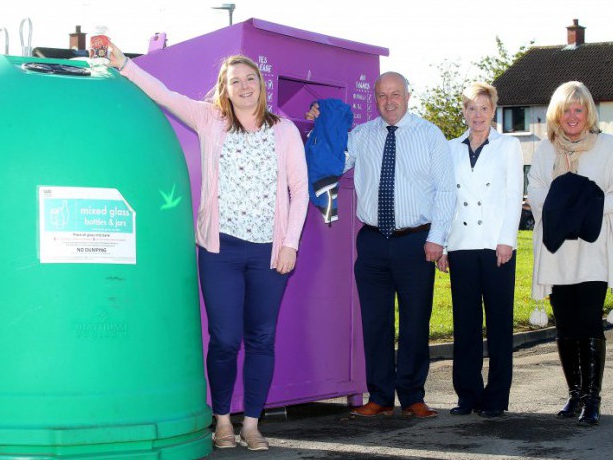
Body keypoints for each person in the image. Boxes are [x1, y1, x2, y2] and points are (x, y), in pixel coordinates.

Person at [108, 46, 309, 449]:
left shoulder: (283, 130)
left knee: (261, 338)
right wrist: (124, 65)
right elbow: (163, 94)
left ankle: (251, 423)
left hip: (270, 252)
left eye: (250, 78)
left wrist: (290, 244)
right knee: (224, 339)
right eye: (235, 81)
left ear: (261, 84)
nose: (244, 86)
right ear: (225, 88)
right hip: (221, 250)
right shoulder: (210, 120)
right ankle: (222, 421)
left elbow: (300, 190)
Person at [307, 72, 456, 418]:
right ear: (375, 99)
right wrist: (322, 123)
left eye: (396, 94)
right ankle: (380, 397)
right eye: (382, 95)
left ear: (408, 95)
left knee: (415, 321)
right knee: (375, 322)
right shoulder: (361, 136)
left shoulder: (430, 135)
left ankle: (413, 396)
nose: (389, 101)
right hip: (372, 241)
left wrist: (437, 239)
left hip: (416, 241)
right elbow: (331, 164)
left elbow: (447, 190)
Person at [527, 81, 613, 426]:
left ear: (588, 113)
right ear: (556, 115)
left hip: (593, 250)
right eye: (566, 110)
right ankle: (574, 394)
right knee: (566, 325)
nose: (572, 117)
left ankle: (593, 399)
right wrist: (573, 205)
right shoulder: (545, 151)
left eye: (579, 109)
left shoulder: (607, 148)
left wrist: (585, 206)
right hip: (557, 250)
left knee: (588, 323)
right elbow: (538, 195)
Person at [436, 82, 523, 418]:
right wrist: (442, 243)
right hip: (460, 245)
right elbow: (444, 198)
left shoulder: (508, 146)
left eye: (484, 108)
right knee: (466, 324)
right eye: (471, 108)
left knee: (499, 324)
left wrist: (507, 240)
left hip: (495, 244)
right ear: (464, 111)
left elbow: (514, 194)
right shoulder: (450, 147)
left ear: (493, 111)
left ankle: (497, 398)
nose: (478, 115)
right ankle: (468, 395)